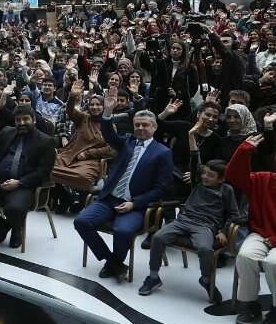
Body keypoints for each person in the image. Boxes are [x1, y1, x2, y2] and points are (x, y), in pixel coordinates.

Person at [74, 87, 174, 282]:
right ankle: (113, 262)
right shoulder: (127, 141)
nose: (140, 128)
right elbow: (108, 134)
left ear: (154, 127)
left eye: (145, 125)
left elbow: (162, 188)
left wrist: (134, 204)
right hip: (109, 199)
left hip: (134, 205)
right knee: (81, 222)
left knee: (123, 231)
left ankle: (114, 263)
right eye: (137, 125)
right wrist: (107, 111)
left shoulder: (163, 152)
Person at [138, 149, 240, 302]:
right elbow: (194, 162)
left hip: (205, 226)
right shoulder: (197, 183)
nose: (205, 177)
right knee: (158, 237)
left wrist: (223, 231)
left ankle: (206, 280)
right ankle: (153, 277)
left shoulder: (227, 190)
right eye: (204, 173)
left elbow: (234, 214)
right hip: (183, 221)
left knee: (205, 249)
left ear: (221, 179)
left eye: (210, 175)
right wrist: (192, 140)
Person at [0, 105, 56, 248]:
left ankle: (16, 231)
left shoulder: (46, 141)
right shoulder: (8, 131)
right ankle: (2, 226)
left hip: (24, 185)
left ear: (34, 120)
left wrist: (19, 183)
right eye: (18, 120)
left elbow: (43, 172)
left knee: (14, 208)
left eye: (25, 119)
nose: (21, 123)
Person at [226, 133, 276, 324]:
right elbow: (233, 176)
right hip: (261, 233)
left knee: (273, 263)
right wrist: (244, 150)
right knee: (245, 256)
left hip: (272, 238)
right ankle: (249, 304)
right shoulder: (265, 179)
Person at [51, 81, 114, 213]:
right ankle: (65, 198)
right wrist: (72, 96)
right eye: (92, 104)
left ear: (104, 107)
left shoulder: (109, 125)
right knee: (47, 169)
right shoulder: (84, 117)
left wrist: (88, 153)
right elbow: (70, 111)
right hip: (69, 155)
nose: (95, 107)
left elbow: (111, 149)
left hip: (89, 161)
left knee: (84, 178)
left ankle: (81, 202)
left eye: (98, 104)